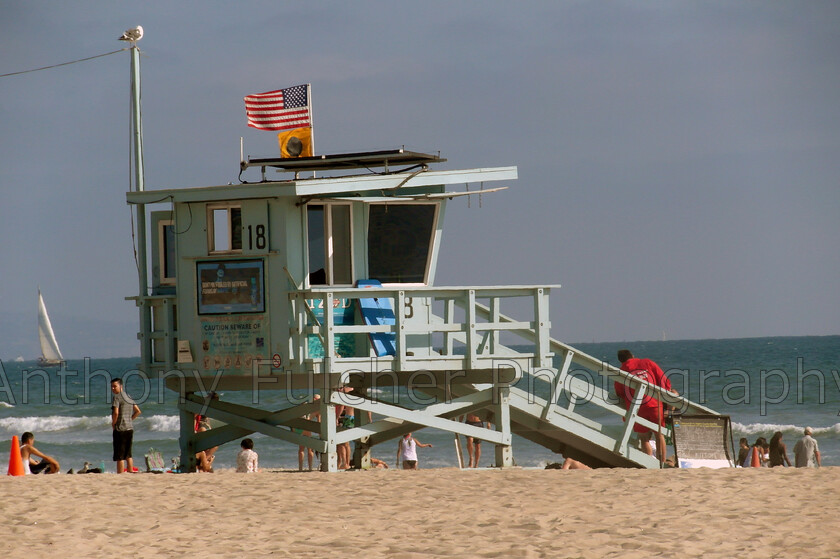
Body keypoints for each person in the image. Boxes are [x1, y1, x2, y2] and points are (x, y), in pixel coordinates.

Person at [614, 349, 678, 463]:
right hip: (654, 404)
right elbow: (663, 380)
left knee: (644, 438)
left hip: (637, 408)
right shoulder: (647, 362)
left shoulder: (622, 371)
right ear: (633, 356)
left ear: (620, 361)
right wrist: (667, 397)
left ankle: (648, 462)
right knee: (659, 435)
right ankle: (661, 463)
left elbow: (619, 392)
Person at [111, 378, 141, 473]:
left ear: (121, 386)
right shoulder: (128, 396)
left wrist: (114, 423)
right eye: (111, 386)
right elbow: (138, 411)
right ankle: (130, 471)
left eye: (115, 386)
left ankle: (120, 473)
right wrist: (130, 419)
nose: (113, 388)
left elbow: (115, 412)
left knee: (120, 454)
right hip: (129, 428)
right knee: (128, 454)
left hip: (120, 429)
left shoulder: (117, 397)